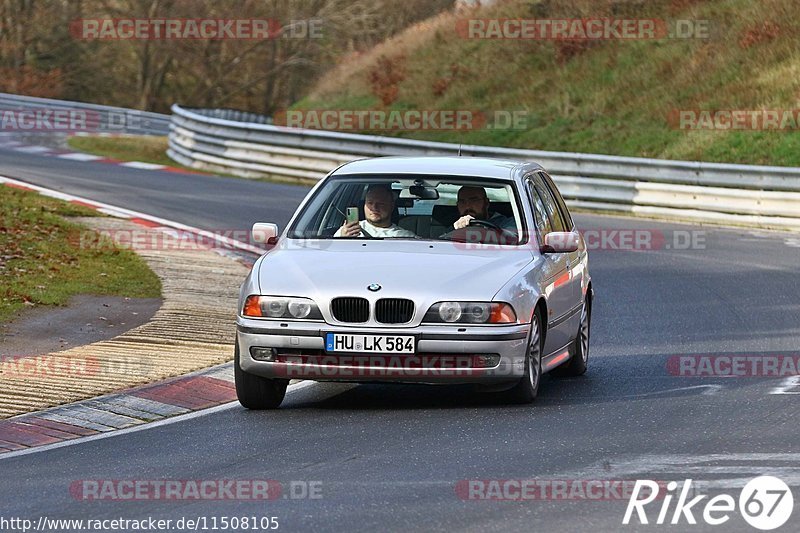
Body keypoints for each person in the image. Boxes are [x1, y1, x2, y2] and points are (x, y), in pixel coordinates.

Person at [335, 185, 416, 238]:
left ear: (392, 206)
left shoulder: (405, 237)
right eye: (370, 203)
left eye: (381, 204)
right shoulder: (349, 230)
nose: (374, 207)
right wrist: (342, 239)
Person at [453, 186, 517, 233]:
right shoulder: (452, 226)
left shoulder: (508, 223)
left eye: (474, 200)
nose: (467, 206)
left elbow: (510, 238)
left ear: (486, 203)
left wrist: (477, 227)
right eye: (462, 202)